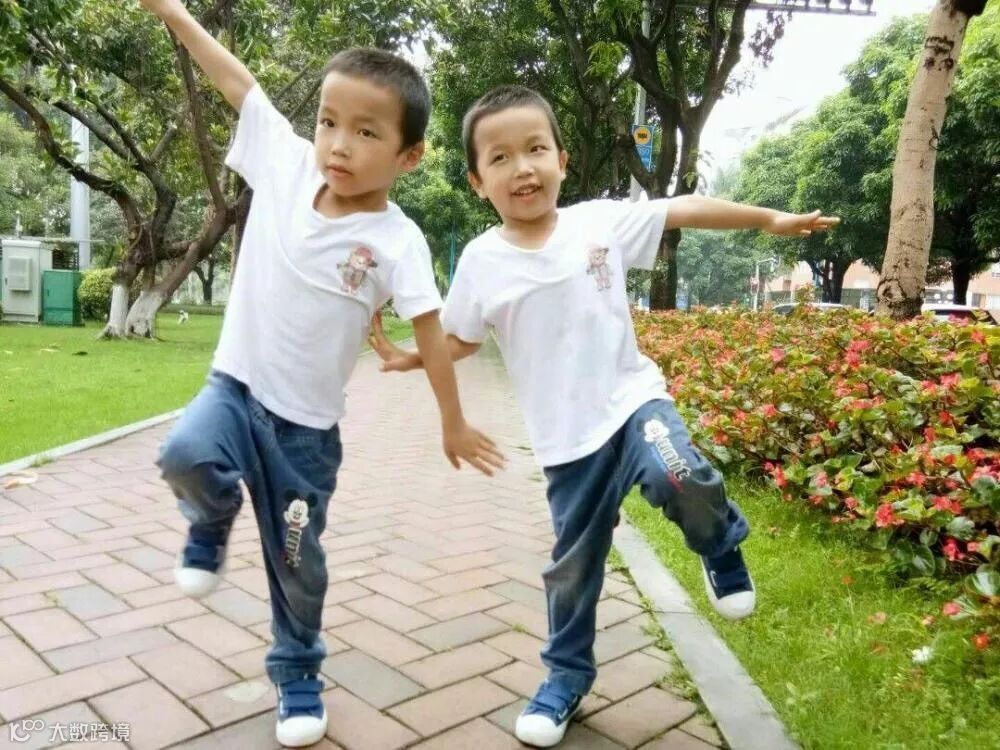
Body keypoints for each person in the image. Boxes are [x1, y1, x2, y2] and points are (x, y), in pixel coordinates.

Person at [369, 84, 839, 748]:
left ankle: (719, 543)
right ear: (477, 181)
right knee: (572, 570)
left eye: (536, 149)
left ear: (561, 160)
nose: (523, 168)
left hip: (633, 405)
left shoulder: (597, 222)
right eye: (500, 158)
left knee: (682, 474)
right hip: (567, 447)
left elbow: (680, 208)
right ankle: (565, 677)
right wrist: (411, 357)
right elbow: (460, 339)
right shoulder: (480, 260)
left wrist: (768, 220)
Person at [137, 2, 504, 746]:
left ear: (409, 157)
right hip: (234, 388)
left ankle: (298, 671)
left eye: (366, 132)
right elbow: (237, 83)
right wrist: (173, 12)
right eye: (329, 122)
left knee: (297, 560)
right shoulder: (284, 161)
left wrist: (453, 420)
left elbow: (430, 333)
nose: (339, 144)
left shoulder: (397, 241)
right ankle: (211, 518)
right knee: (184, 455)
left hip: (304, 438)